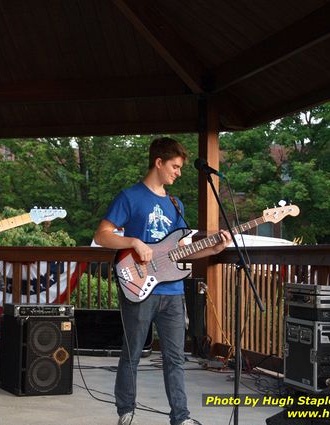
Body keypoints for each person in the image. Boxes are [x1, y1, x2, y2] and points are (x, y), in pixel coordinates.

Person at [94, 137, 232, 425]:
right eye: (175, 166)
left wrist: (214, 248)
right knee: (132, 352)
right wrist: (133, 241)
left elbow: (182, 251)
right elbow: (102, 235)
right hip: (139, 285)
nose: (178, 172)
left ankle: (180, 417)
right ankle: (126, 412)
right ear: (158, 162)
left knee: (175, 358)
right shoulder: (129, 197)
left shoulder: (175, 203)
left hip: (173, 290)